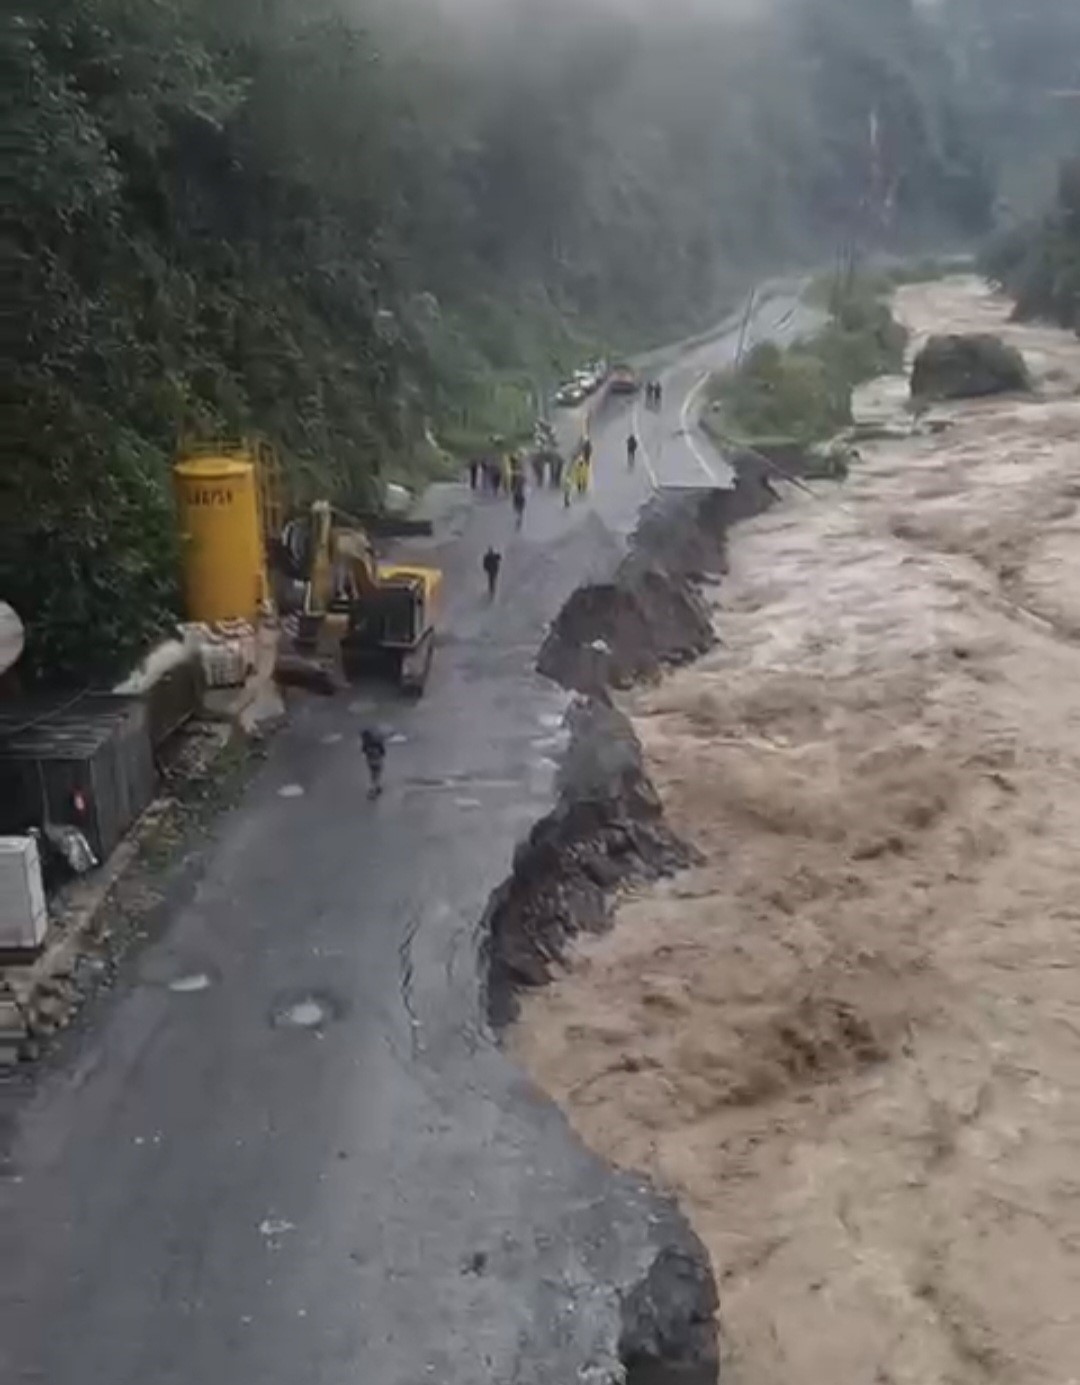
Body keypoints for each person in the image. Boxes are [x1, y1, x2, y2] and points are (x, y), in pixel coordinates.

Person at [360, 726, 387, 800]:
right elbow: (383, 752)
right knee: (378, 773)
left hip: (370, 761)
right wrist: (381, 756)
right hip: (378, 760)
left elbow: (363, 754)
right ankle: (377, 787)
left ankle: (372, 788)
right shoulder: (377, 742)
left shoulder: (365, 743)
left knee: (372, 774)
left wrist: (366, 758)